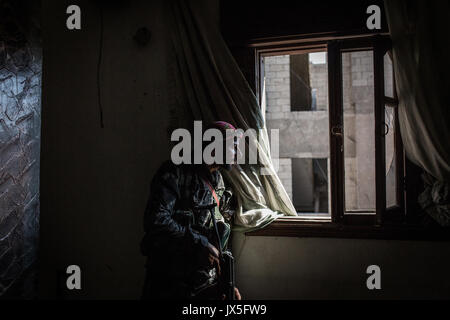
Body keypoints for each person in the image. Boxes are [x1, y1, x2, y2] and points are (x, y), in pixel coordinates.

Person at [140, 121, 242, 300]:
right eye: (233, 146)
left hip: (201, 283)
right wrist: (198, 243)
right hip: (169, 281)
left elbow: (217, 239)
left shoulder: (218, 181)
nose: (238, 153)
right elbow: (156, 220)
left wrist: (225, 283)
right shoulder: (175, 173)